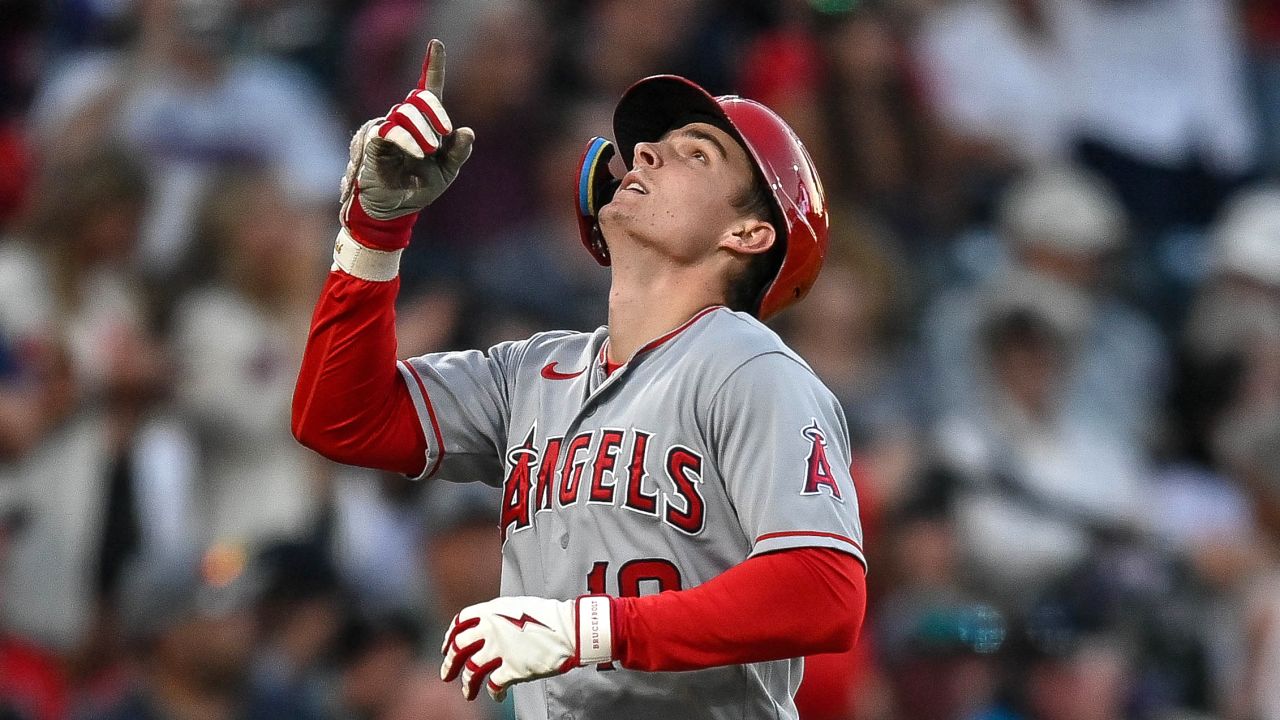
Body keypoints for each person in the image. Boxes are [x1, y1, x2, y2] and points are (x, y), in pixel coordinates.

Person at [292, 40, 866, 719]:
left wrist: (587, 631)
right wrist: (374, 231)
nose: (646, 152)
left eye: (696, 153)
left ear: (747, 232)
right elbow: (338, 417)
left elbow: (822, 590)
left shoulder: (748, 364)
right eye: (651, 145)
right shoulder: (533, 370)